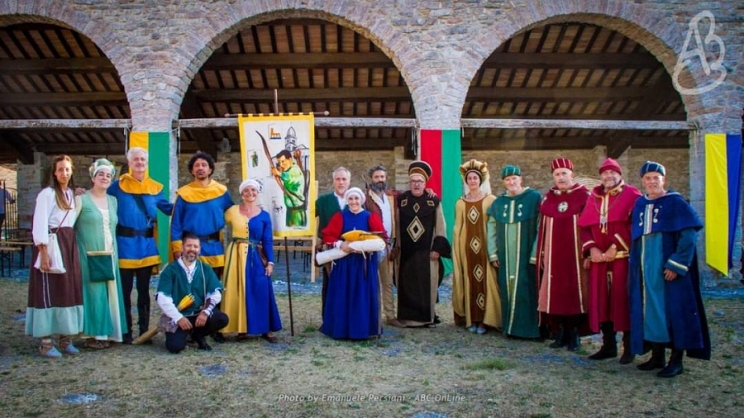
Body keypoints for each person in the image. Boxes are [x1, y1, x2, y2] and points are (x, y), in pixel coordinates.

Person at [628, 161, 710, 378]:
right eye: (648, 178)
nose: (652, 182)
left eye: (656, 178)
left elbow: (689, 236)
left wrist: (676, 264)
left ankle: (676, 360)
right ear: (642, 181)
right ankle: (657, 356)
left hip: (668, 269)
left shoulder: (675, 202)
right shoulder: (640, 204)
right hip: (646, 269)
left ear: (663, 179)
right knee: (652, 311)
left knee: (674, 311)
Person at [578, 158, 641, 363]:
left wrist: (615, 246)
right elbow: (584, 227)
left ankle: (629, 347)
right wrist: (593, 248)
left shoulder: (632, 195)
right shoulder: (593, 197)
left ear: (619, 174)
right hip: (599, 261)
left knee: (622, 300)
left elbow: (635, 224)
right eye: (605, 173)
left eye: (613, 172)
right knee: (602, 302)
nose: (609, 176)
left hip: (622, 258)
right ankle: (608, 346)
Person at [108, 147, 173, 344]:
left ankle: (144, 331)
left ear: (146, 162)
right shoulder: (116, 187)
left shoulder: (156, 188)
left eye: (142, 159)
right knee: (125, 291)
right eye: (135, 159)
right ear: (129, 162)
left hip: (146, 246)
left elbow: (168, 209)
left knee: (144, 291)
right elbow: (100, 199)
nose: (139, 162)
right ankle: (125, 331)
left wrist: (189, 203)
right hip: (124, 245)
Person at [26, 155, 83, 358]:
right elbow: (39, 223)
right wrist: (43, 253)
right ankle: (46, 342)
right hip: (51, 244)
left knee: (67, 289)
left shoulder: (72, 194)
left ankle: (66, 339)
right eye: (60, 169)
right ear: (54, 172)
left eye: (67, 169)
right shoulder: (47, 194)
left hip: (68, 244)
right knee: (49, 290)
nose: (64, 173)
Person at [536, 158, 589, 351]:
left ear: (572, 174)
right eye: (557, 174)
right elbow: (542, 228)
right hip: (554, 255)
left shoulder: (584, 196)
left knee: (574, 293)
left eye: (564, 173)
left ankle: (574, 333)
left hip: (575, 255)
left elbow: (589, 226)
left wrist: (588, 251)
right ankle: (560, 333)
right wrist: (542, 251)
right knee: (555, 293)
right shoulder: (548, 199)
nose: (561, 177)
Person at [321, 187, 386, 339]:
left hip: (364, 263)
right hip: (345, 263)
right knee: (343, 294)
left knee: (362, 295)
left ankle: (363, 330)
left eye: (356, 198)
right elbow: (328, 236)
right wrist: (340, 244)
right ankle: (341, 330)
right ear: (347, 201)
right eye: (350, 199)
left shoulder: (370, 217)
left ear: (361, 200)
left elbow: (381, 237)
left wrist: (365, 247)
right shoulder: (340, 217)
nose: (354, 202)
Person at [75, 159, 128, 349]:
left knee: (110, 294)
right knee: (94, 294)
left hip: (110, 254)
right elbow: (69, 226)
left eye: (108, 175)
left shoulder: (113, 201)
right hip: (89, 255)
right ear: (93, 177)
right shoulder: (81, 199)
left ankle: (109, 333)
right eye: (101, 174)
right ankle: (93, 335)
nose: (104, 177)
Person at [221, 179, 282, 343]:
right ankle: (241, 328)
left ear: (257, 192)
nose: (250, 193)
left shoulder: (264, 215)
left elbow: (267, 240)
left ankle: (266, 328)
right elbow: (216, 222)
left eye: (253, 190)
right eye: (246, 190)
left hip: (256, 255)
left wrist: (270, 262)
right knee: (237, 289)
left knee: (261, 288)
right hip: (236, 255)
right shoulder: (232, 211)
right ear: (242, 194)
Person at [486, 165, 542, 339]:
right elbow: (491, 228)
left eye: (514, 178)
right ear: (504, 182)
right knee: (507, 289)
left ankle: (529, 330)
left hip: (526, 255)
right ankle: (510, 328)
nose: (511, 182)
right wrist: (493, 253)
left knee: (527, 290)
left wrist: (536, 253)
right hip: (505, 256)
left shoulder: (534, 198)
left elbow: (541, 227)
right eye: (507, 179)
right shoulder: (499, 203)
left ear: (521, 179)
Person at [393, 161, 448, 328]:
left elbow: (440, 226)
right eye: (413, 181)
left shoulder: (433, 202)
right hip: (406, 253)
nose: (416, 184)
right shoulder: (402, 201)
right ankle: (407, 318)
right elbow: (396, 225)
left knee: (426, 285)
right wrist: (396, 246)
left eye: (420, 181)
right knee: (406, 284)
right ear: (409, 183)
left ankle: (427, 318)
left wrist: (437, 248)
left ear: (425, 183)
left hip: (426, 253)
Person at [156, 233, 229, 353]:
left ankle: (198, 334)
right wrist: (178, 318)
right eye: (189, 246)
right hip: (180, 316)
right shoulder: (170, 270)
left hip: (199, 314)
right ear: (182, 247)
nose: (192, 249)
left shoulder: (205, 268)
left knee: (221, 319)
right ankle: (184, 334)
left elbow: (216, 292)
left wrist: (205, 312)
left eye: (195, 246)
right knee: (175, 347)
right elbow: (162, 297)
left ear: (199, 249)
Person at [452, 159, 500, 335]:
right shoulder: (461, 202)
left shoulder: (490, 200)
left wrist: (494, 251)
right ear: (466, 181)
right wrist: (457, 251)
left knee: (486, 282)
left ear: (481, 180)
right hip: (467, 250)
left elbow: (494, 226)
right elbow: (458, 228)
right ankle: (472, 318)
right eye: (469, 178)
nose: (472, 181)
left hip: (485, 249)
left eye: (475, 178)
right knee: (469, 282)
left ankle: (486, 320)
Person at [171, 151, 233, 276]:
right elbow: (176, 223)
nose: (200, 168)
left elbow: (233, 215)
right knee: (191, 286)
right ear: (192, 171)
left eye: (204, 165)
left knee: (213, 285)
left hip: (214, 247)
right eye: (196, 165)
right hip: (190, 247)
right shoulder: (184, 194)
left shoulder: (221, 192)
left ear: (210, 170)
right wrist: (177, 248)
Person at [364, 165, 402, 327]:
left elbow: (413, 193)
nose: (380, 180)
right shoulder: (365, 199)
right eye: (377, 177)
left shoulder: (392, 197)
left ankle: (390, 315)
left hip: (388, 246)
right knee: (371, 282)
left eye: (382, 177)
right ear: (371, 179)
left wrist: (429, 191)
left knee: (387, 282)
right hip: (371, 245)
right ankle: (372, 315)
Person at [315, 166, 351, 318]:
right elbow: (307, 216)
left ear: (349, 181)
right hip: (329, 248)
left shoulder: (355, 200)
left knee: (348, 284)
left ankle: (346, 319)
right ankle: (328, 319)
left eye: (344, 179)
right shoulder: (323, 201)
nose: (341, 182)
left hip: (349, 249)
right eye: (338, 179)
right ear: (333, 181)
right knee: (330, 284)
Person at [271, 149, 307, 227]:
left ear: (290, 159)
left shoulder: (295, 170)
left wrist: (278, 173)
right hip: (290, 210)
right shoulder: (289, 170)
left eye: (283, 161)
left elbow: (289, 178)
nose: (281, 164)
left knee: (297, 231)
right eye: (279, 162)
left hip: (297, 212)